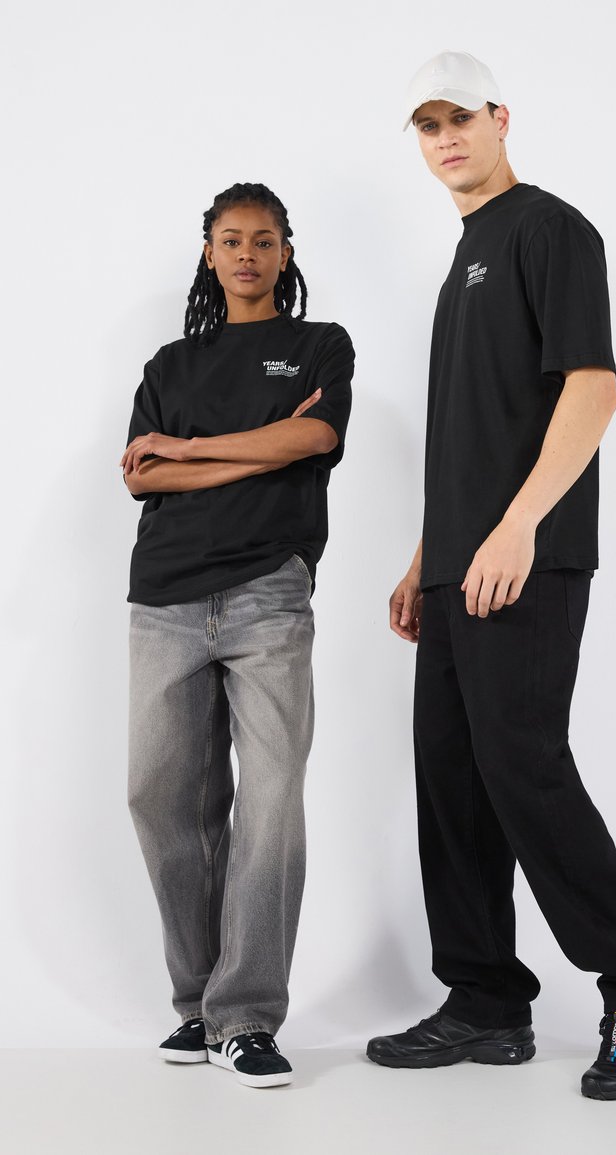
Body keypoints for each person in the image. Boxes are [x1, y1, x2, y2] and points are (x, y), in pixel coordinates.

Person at [366, 52, 616, 1101]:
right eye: (427, 126)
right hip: (460, 566)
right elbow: (470, 432)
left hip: (525, 558)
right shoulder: (464, 256)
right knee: (451, 777)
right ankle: (484, 1001)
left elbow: (592, 393)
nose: (445, 139)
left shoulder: (549, 230)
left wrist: (515, 528)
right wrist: (428, 556)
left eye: (458, 118)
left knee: (523, 769)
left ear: (500, 118)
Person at [122, 181, 353, 1088]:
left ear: (285, 253)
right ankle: (199, 1003)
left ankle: (247, 1015)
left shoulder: (319, 345)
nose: (247, 253)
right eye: (231, 239)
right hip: (165, 599)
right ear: (209, 253)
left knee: (270, 801)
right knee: (160, 796)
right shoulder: (171, 364)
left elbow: (312, 439)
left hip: (268, 594)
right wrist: (236, 447)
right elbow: (140, 478)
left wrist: (188, 448)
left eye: (263, 239)